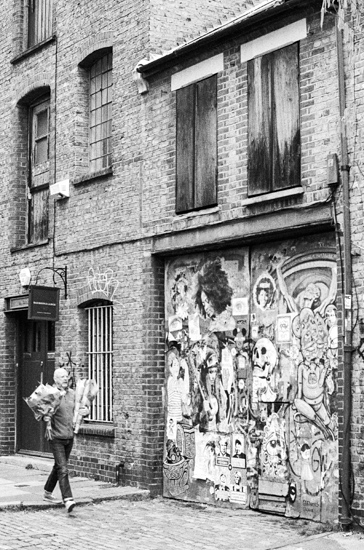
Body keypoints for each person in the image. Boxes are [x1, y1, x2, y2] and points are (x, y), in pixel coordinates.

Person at [43, 367, 89, 512]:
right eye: (62, 376)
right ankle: (68, 499)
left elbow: (82, 409)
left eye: (66, 376)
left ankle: (47, 492)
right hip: (56, 437)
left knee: (58, 466)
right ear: (55, 379)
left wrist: (86, 412)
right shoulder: (51, 395)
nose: (65, 378)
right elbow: (42, 413)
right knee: (63, 468)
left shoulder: (73, 394)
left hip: (69, 436)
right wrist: (46, 416)